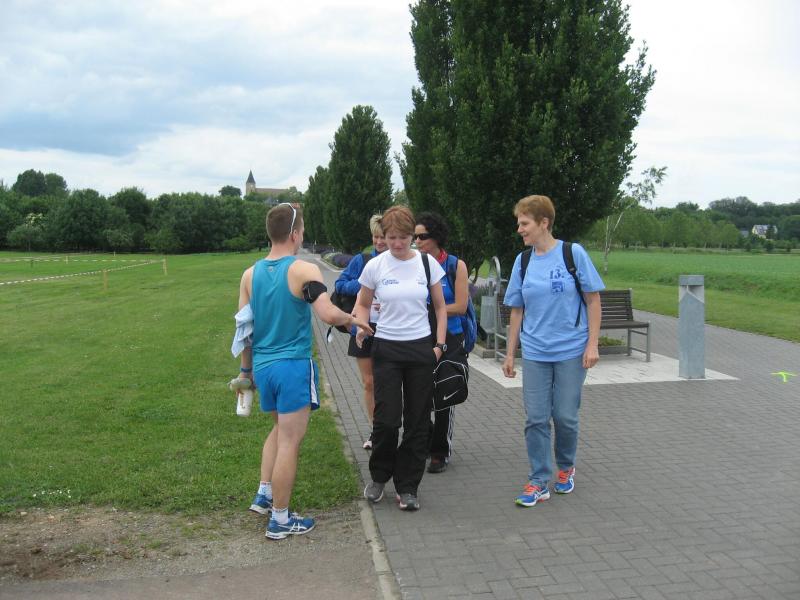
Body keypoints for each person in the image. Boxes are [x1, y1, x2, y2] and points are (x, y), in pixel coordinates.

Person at [236, 203, 373, 539]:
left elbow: (244, 330)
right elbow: (327, 313)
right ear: (296, 234)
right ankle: (281, 519)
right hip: (293, 366)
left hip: (264, 368)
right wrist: (354, 320)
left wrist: (245, 372)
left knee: (279, 431)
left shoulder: (250, 274)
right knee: (290, 441)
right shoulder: (303, 269)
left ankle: (265, 494)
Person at [501, 195, 604, 507]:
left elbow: (593, 300)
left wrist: (592, 344)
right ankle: (538, 480)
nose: (519, 229)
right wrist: (510, 353)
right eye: (519, 223)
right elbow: (516, 309)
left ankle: (566, 467)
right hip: (535, 351)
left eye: (524, 223)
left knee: (564, 416)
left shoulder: (573, 253)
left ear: (543, 222)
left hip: (571, 350)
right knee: (536, 418)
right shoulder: (523, 261)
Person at [354, 205, 448, 511]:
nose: (397, 243)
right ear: (383, 235)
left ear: (412, 236)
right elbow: (363, 303)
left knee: (418, 422)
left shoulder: (426, 263)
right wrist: (361, 325)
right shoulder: (376, 266)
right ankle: (379, 477)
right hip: (387, 349)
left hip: (420, 348)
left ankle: (408, 486)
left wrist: (439, 345)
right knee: (387, 420)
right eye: (391, 237)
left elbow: (440, 307)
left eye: (404, 237)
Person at [414, 212, 469, 474]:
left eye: (422, 236)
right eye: (415, 237)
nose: (417, 241)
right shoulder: (413, 264)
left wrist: (433, 308)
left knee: (445, 391)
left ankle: (440, 452)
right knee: (418, 393)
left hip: (451, 337)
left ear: (436, 236)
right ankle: (426, 440)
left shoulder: (455, 265)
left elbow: (461, 305)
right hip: (419, 335)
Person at [334, 214, 387, 450]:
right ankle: (376, 431)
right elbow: (339, 285)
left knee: (390, 382)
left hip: (391, 330)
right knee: (369, 382)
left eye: (383, 237)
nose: (379, 242)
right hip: (363, 328)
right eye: (375, 237)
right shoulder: (362, 260)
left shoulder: (400, 262)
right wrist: (364, 283)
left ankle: (391, 428)